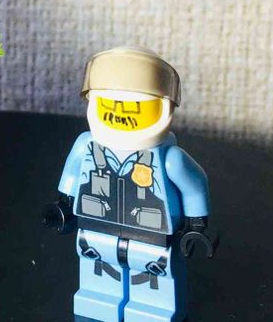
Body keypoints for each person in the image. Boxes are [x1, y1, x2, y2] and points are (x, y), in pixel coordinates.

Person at [43, 47, 217, 322]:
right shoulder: (87, 145)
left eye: (136, 108)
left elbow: (194, 186)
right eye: (112, 106)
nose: (122, 114)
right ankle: (97, 299)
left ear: (162, 108)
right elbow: (73, 176)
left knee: (152, 273)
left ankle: (153, 309)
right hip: (96, 225)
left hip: (153, 235)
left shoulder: (170, 159)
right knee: (97, 266)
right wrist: (64, 203)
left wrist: (196, 225)